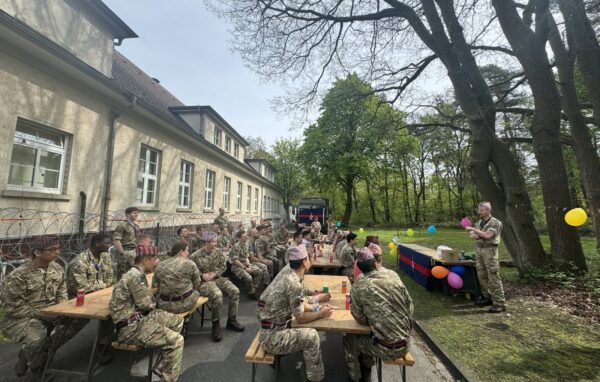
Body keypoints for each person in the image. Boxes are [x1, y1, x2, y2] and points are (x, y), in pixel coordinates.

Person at [1, 236, 81, 378]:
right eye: (52, 249)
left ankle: (27, 355)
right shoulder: (19, 275)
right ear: (37, 253)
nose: (57, 252)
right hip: (23, 318)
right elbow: (12, 307)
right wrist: (43, 314)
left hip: (52, 314)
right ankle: (40, 371)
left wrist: (60, 311)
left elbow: (61, 294)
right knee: (36, 341)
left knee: (78, 321)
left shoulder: (57, 268)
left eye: (58, 248)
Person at [257, 246, 333, 382]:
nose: (311, 260)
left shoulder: (288, 273)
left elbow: (300, 302)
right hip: (273, 337)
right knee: (312, 336)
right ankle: (316, 378)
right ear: (304, 262)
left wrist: (317, 308)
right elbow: (301, 318)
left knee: (307, 327)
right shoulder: (294, 284)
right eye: (309, 258)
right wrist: (321, 313)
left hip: (269, 327)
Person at [109, 244, 184, 381]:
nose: (156, 262)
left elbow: (141, 300)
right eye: (154, 259)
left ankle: (161, 364)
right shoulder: (136, 277)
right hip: (130, 328)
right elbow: (147, 305)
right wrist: (153, 297)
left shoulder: (135, 273)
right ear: (145, 261)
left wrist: (150, 294)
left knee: (178, 320)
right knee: (177, 341)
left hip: (136, 318)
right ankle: (168, 377)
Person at [343, 248, 413, 382]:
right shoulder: (394, 277)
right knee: (371, 336)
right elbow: (410, 308)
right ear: (375, 263)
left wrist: (374, 317)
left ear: (360, 269)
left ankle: (357, 376)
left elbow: (360, 319)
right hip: (406, 344)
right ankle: (366, 371)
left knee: (350, 339)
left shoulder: (358, 286)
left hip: (384, 348)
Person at [189, 231, 244, 342]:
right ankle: (216, 324)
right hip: (203, 282)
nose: (215, 244)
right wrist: (202, 275)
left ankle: (232, 320)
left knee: (235, 290)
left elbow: (223, 266)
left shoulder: (218, 252)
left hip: (217, 278)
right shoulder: (194, 256)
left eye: (215, 241)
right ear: (205, 243)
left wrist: (214, 274)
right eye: (213, 242)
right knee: (217, 295)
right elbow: (191, 272)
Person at [466, 201, 506, 313]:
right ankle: (487, 297)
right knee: (482, 275)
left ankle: (499, 303)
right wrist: (477, 234)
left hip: (490, 251)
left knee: (493, 276)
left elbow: (487, 236)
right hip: (479, 250)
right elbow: (473, 237)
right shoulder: (479, 223)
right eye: (479, 210)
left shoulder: (496, 223)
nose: (479, 212)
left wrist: (475, 231)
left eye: (482, 210)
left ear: (488, 210)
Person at [154, 241, 201, 314]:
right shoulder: (190, 263)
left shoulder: (160, 265)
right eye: (187, 250)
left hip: (164, 305)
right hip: (185, 304)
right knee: (196, 292)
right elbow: (197, 283)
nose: (188, 253)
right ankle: (186, 320)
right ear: (181, 252)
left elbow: (155, 285)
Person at [67, 233, 114, 298]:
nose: (109, 246)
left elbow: (110, 275)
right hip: (83, 297)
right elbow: (81, 288)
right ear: (97, 244)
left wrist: (106, 286)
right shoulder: (80, 262)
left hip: (101, 294)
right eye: (107, 243)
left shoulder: (105, 256)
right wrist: (104, 286)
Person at [230, 230, 264, 298]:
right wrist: (245, 268)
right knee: (248, 277)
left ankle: (254, 288)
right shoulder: (236, 246)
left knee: (259, 271)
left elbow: (246, 257)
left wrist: (248, 266)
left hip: (245, 264)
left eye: (246, 236)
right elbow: (236, 261)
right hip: (237, 266)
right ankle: (251, 293)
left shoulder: (246, 244)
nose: (246, 237)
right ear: (239, 238)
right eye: (244, 236)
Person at [113, 207, 140, 279]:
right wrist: (122, 252)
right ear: (128, 214)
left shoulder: (136, 226)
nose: (136, 214)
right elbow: (116, 240)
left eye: (137, 213)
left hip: (134, 251)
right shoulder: (122, 226)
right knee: (123, 273)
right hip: (125, 251)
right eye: (134, 213)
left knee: (134, 273)